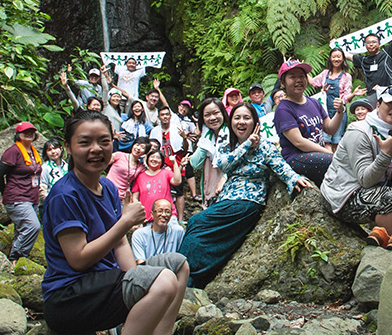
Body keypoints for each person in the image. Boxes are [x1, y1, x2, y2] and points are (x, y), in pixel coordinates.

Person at [40, 110, 197, 335]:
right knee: (161, 282)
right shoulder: (64, 195)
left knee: (177, 265)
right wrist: (125, 223)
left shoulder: (109, 188)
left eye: (103, 141)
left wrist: (139, 281)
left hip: (100, 287)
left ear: (113, 143)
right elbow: (78, 259)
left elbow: (120, 247)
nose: (96, 150)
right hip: (68, 298)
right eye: (85, 142)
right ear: (69, 147)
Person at [179, 103, 314, 287]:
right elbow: (224, 165)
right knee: (197, 225)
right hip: (226, 200)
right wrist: (247, 144)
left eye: (246, 118)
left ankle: (185, 275)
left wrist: (294, 179)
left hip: (247, 202)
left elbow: (281, 166)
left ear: (255, 122)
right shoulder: (227, 146)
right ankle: (191, 277)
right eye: (237, 118)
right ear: (231, 122)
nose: (241, 122)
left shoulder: (265, 146)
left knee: (197, 223)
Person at [320, 87, 392, 271]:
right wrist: (385, 154)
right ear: (377, 105)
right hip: (344, 194)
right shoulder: (359, 132)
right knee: (389, 198)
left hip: (379, 185)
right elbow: (365, 180)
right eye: (390, 104)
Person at [274, 59, 342, 185]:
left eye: (301, 76)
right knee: (335, 161)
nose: (298, 80)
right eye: (292, 77)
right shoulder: (283, 109)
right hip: (296, 157)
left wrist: (340, 112)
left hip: (318, 154)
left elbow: (330, 128)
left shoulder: (313, 102)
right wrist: (329, 153)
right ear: (282, 82)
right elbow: (299, 142)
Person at [0, 121, 43, 262]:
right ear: (18, 134)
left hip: (31, 197)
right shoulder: (13, 151)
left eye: (31, 131)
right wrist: (6, 192)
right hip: (17, 197)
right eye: (25, 132)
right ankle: (17, 257)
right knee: (33, 226)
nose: (29, 134)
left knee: (21, 230)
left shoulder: (33, 152)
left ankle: (13, 264)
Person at [310, 48, 362, 151]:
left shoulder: (346, 76)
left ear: (343, 59)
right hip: (325, 111)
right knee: (325, 141)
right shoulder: (325, 74)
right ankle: (328, 163)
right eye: (334, 57)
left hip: (339, 111)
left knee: (337, 142)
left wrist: (353, 94)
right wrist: (301, 70)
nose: (336, 59)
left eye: (339, 56)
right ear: (330, 58)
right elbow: (313, 82)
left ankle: (336, 164)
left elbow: (346, 97)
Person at [352, 20, 392, 94]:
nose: (371, 44)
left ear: (379, 44)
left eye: (374, 42)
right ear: (365, 45)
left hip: (388, 92)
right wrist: (334, 44)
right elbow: (344, 55)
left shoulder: (386, 53)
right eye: (368, 42)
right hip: (372, 95)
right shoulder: (364, 60)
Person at [189, 98, 228, 208]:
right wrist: (205, 135)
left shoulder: (232, 133)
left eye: (216, 113)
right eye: (207, 115)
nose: (212, 118)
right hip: (209, 189)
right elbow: (195, 163)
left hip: (227, 188)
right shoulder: (206, 137)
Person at [130, 199, 186, 264]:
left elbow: (182, 258)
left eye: (167, 212)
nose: (164, 215)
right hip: (148, 271)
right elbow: (140, 262)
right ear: (152, 214)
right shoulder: (139, 235)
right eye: (160, 211)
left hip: (171, 270)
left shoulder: (178, 231)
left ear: (171, 215)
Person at [131, 149, 183, 218]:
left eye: (158, 158)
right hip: (147, 217)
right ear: (147, 159)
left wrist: (174, 163)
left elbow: (177, 181)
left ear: (162, 162)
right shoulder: (140, 176)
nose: (154, 159)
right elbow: (135, 198)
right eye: (152, 157)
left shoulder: (166, 173)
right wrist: (138, 215)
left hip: (167, 216)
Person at [105, 137, 148, 201]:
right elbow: (102, 164)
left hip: (121, 198)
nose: (138, 148)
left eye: (142, 147)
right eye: (137, 145)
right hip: (107, 191)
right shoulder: (119, 155)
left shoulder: (141, 167)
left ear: (144, 153)